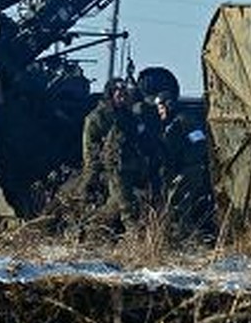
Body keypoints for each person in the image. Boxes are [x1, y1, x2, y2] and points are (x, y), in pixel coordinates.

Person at [81, 78, 151, 228]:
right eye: (119, 93)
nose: (123, 96)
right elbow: (90, 150)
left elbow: (140, 140)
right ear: (111, 94)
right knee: (127, 208)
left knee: (114, 208)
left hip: (133, 167)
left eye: (125, 93)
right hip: (112, 169)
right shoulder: (97, 118)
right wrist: (92, 175)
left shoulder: (129, 116)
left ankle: (92, 229)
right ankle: (135, 238)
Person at [150, 91, 212, 229]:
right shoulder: (170, 124)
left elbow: (199, 142)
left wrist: (187, 164)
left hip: (189, 170)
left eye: (160, 107)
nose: (159, 112)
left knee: (183, 206)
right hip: (179, 170)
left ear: (169, 105)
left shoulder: (185, 120)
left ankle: (186, 236)